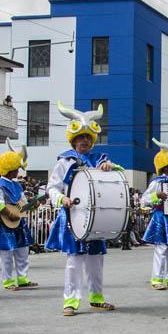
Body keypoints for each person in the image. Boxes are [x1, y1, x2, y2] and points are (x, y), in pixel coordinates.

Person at [47, 104, 119, 316]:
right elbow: (51, 187)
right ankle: (70, 301)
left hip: (95, 217)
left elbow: (116, 175)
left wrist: (110, 167)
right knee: (75, 261)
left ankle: (96, 298)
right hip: (73, 216)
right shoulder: (64, 161)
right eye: (80, 138)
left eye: (88, 138)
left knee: (96, 260)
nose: (85, 141)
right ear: (73, 140)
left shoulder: (100, 159)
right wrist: (62, 198)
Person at [0, 141, 38, 291]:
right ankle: (8, 281)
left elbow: (22, 203)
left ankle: (23, 278)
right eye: (17, 168)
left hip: (19, 223)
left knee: (23, 250)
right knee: (7, 254)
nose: (18, 171)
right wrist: (9, 213)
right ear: (11, 168)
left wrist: (32, 205)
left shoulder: (17, 185)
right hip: (5, 223)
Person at [141, 139, 168, 289]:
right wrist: (157, 196)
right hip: (161, 217)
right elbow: (144, 200)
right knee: (162, 249)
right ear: (164, 166)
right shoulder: (157, 182)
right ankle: (157, 280)